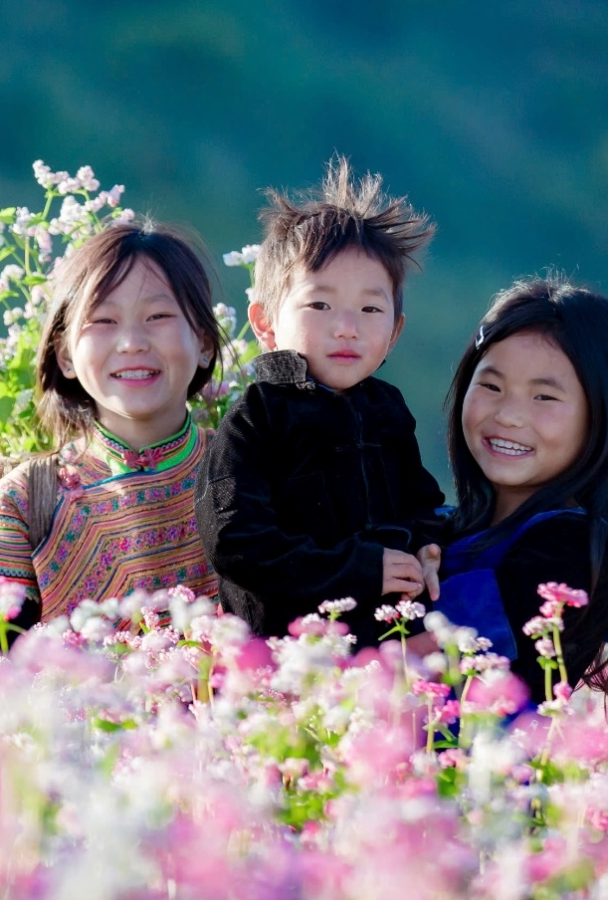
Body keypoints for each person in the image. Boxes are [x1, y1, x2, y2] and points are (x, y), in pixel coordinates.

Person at [195, 158, 445, 646]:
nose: (346, 326)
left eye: (370, 308)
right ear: (265, 322)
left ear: (394, 332)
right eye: (320, 305)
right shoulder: (257, 418)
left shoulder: (387, 410)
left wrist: (430, 546)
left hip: (386, 646)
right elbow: (235, 542)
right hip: (285, 655)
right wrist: (360, 569)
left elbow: (423, 504)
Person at [0, 221, 224, 639]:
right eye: (103, 321)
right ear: (65, 356)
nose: (131, 342)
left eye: (158, 315)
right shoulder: (18, 509)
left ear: (203, 343)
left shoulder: (254, 476)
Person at [432, 276, 608, 702]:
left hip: (474, 768)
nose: (509, 416)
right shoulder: (441, 525)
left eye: (544, 398)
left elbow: (425, 651)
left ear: (602, 414)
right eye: (491, 386)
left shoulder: (578, 552)